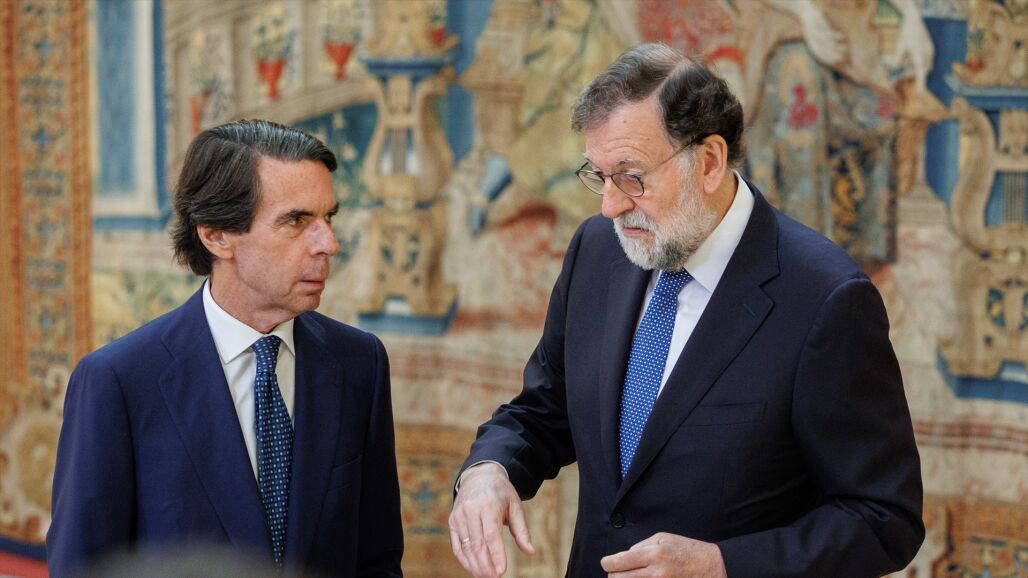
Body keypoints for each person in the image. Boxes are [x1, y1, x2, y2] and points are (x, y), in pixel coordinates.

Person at [449, 44, 923, 578]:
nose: (609, 205)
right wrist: (489, 469)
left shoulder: (827, 300)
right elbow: (544, 408)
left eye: (631, 176)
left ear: (710, 161)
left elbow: (884, 519)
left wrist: (722, 565)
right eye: (598, 175)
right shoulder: (597, 250)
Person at [47, 119, 403, 577]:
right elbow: (83, 569)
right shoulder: (119, 382)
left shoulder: (359, 363)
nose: (328, 244)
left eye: (328, 218)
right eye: (297, 221)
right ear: (216, 234)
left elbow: (377, 561)